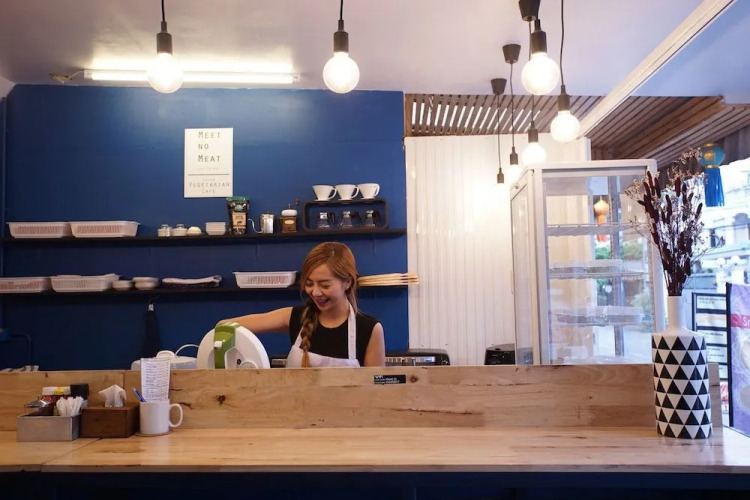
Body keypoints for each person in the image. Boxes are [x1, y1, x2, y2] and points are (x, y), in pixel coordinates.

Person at [218, 242, 385, 367]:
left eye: (325, 285)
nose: (315, 292)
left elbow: (377, 393)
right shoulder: (294, 317)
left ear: (347, 282)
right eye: (309, 283)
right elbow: (223, 326)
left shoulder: (369, 329)